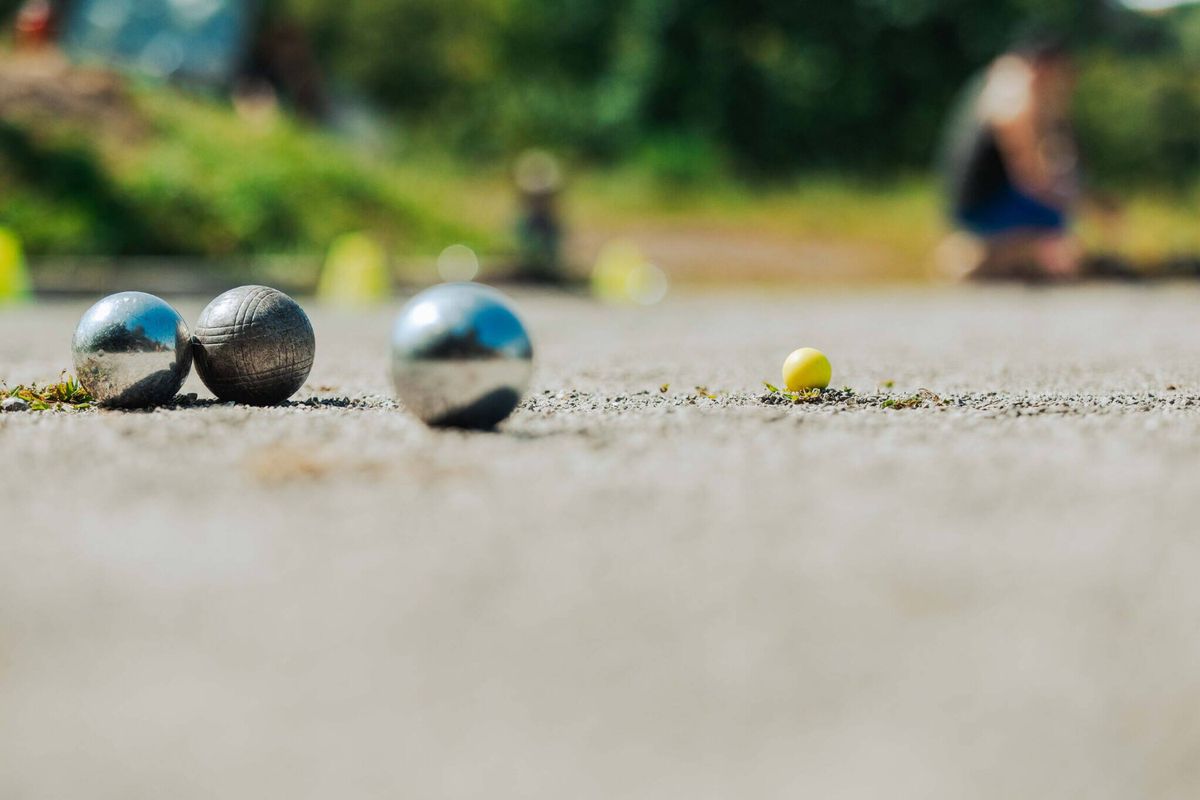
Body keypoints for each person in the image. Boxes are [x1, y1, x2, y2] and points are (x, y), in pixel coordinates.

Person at [943, 39, 1082, 281]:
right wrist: (1068, 196)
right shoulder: (1013, 90)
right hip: (984, 208)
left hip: (971, 203)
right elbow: (1028, 171)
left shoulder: (997, 81)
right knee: (1057, 216)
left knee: (1059, 208)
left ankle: (1008, 257)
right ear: (1046, 66)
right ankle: (1006, 257)